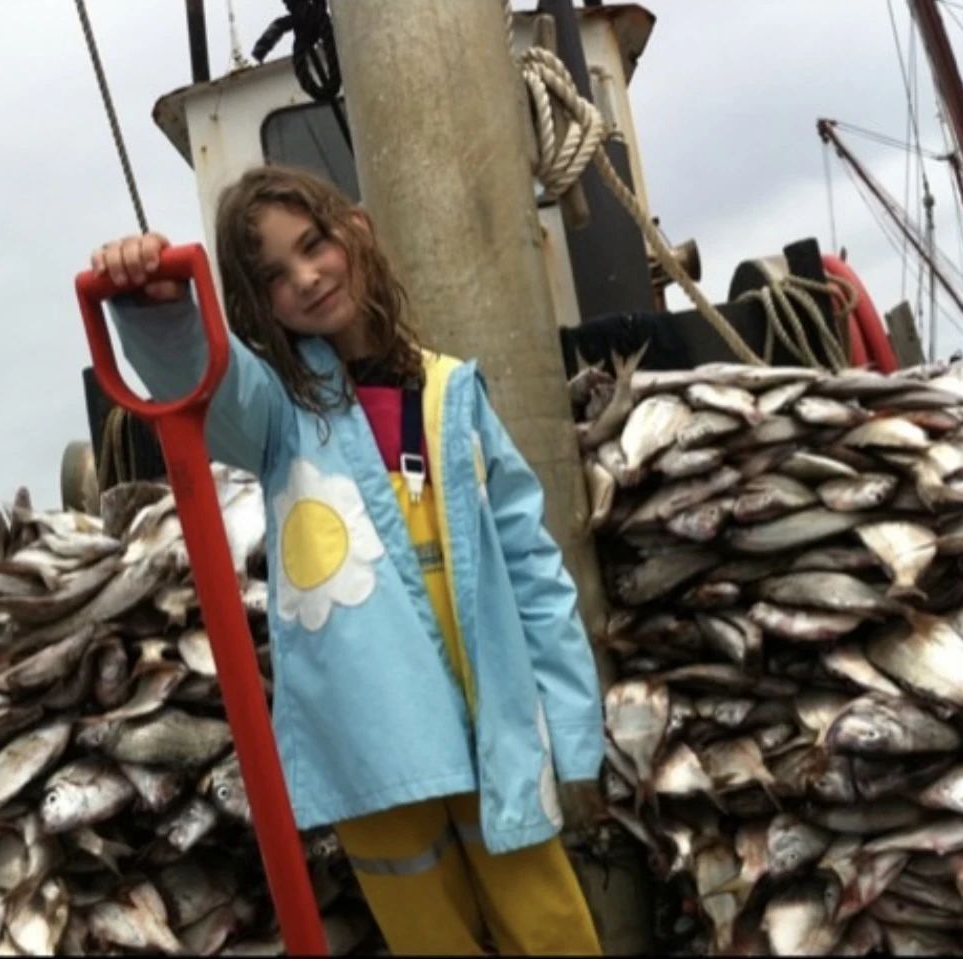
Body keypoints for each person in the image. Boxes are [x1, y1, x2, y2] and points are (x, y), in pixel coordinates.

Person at [90, 164, 604, 956]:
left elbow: (533, 565)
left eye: (314, 243)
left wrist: (569, 722)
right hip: (375, 735)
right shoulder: (277, 416)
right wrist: (158, 309)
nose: (306, 275)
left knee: (552, 926)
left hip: (494, 718)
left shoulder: (455, 392)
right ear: (257, 305)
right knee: (430, 939)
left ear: (356, 230)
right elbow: (208, 382)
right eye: (272, 275)